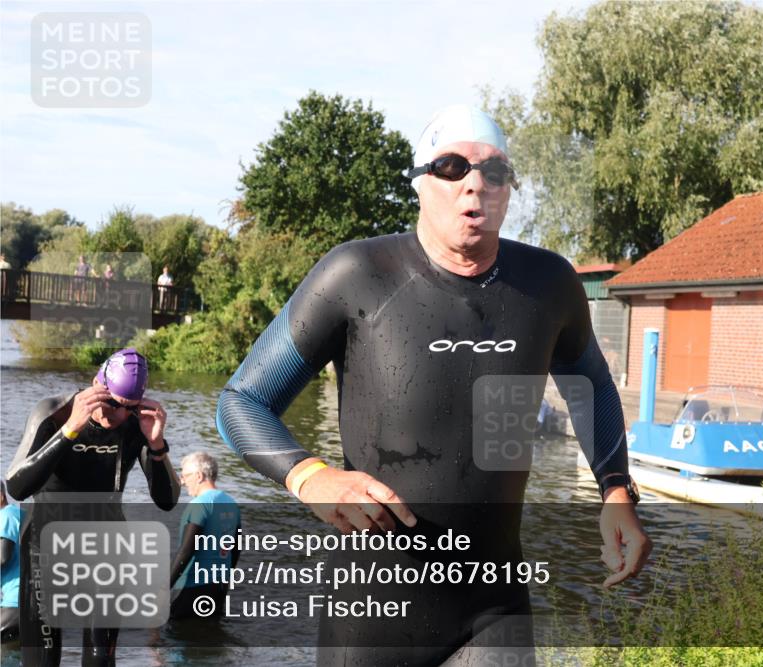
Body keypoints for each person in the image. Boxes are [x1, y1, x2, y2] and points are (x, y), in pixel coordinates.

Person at [216, 105, 651, 666]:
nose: (475, 183)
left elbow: (590, 385)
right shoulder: (357, 273)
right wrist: (310, 476)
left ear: (509, 191)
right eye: (452, 167)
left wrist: (616, 491)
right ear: (421, 184)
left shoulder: (549, 285)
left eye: (495, 172)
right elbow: (241, 401)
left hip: (494, 606)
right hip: (372, 611)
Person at [5, 347, 180, 666]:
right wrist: (69, 430)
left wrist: (156, 445)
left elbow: (167, 502)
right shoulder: (54, 413)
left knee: (101, 658)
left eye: (129, 407)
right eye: (111, 402)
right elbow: (17, 486)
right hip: (46, 547)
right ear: (95, 384)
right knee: (41, 658)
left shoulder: (133, 425)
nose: (117, 414)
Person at [169, 452, 240, 619]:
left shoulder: (199, 505)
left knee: (178, 636)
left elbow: (186, 550)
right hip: (218, 587)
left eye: (185, 475)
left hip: (191, 586)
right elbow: (236, 549)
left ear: (199, 476)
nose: (183, 481)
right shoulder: (231, 503)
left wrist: (165, 587)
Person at [0, 481, 22, 644]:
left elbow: (2, 557)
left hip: (15, 601)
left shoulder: (6, 516)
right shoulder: (18, 513)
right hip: (28, 600)